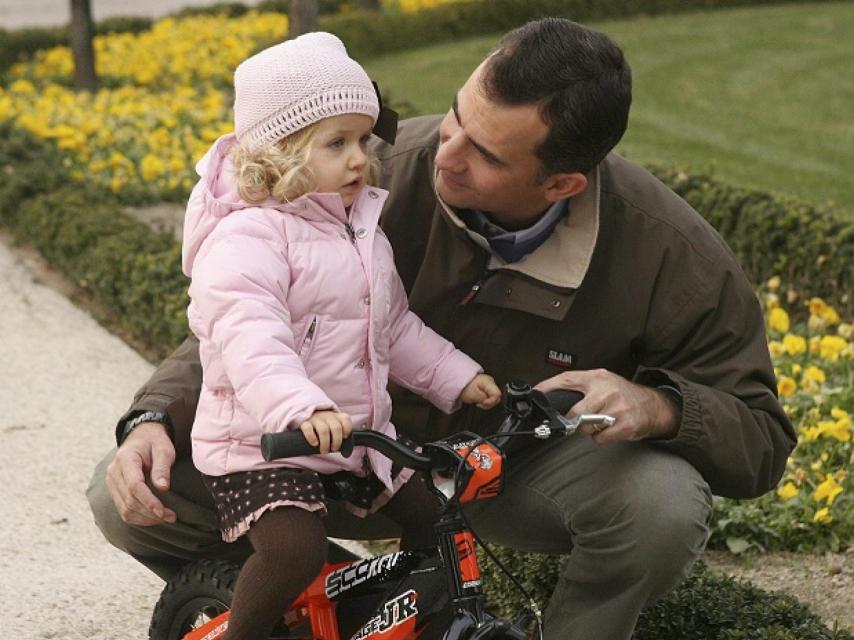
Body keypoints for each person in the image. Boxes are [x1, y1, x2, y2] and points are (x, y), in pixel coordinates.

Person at [87, 18, 796, 640]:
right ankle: (326, 615)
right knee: (127, 499)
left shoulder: (668, 251)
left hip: (499, 471)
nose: (445, 154)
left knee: (661, 507)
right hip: (318, 450)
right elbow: (245, 318)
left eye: (486, 154)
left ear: (562, 185)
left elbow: (761, 435)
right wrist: (151, 415)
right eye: (457, 116)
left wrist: (662, 406)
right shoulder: (361, 169)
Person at [174, 32, 502, 640]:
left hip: (352, 436)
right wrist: (302, 408)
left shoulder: (359, 230)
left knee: (437, 515)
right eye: (337, 143)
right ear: (279, 154)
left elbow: (394, 327)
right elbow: (252, 339)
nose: (360, 158)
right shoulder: (247, 239)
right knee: (293, 551)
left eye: (362, 140)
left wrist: (459, 377)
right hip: (262, 443)